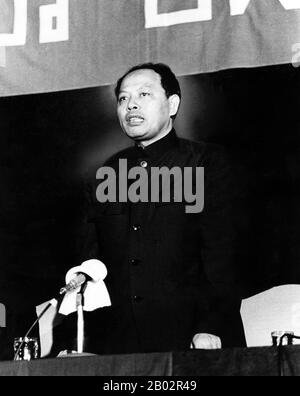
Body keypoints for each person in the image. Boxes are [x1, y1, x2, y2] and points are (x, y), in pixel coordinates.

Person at [52, 63, 246, 356]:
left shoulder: (206, 163)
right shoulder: (107, 172)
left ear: (172, 104)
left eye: (144, 94)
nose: (131, 105)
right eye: (123, 99)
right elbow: (90, 262)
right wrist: (78, 342)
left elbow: (223, 254)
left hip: (193, 339)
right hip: (120, 344)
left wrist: (211, 324)